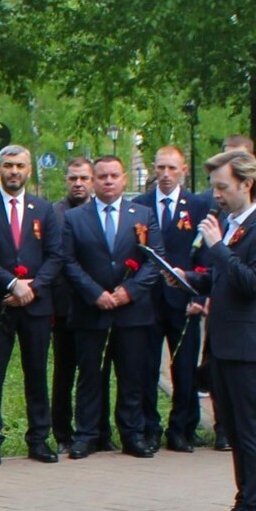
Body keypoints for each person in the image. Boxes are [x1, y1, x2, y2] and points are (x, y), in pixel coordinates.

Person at [196, 152, 256, 511]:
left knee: (250, 428)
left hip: (247, 344)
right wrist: (187, 277)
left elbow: (253, 283)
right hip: (223, 341)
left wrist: (218, 249)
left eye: (223, 187)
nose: (217, 195)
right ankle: (242, 500)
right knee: (232, 426)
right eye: (214, 187)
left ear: (246, 185)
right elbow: (224, 278)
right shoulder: (232, 225)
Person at [0, 145, 64, 465]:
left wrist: (32, 287)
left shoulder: (44, 209)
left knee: (36, 372)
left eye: (20, 165)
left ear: (29, 170)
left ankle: (39, 438)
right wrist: (11, 283)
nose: (14, 171)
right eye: (8, 165)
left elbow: (55, 255)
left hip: (36, 305)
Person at [60, 156, 160, 458]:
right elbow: (67, 261)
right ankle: (87, 435)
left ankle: (132, 435)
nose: (108, 181)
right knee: (90, 375)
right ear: (92, 180)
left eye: (113, 175)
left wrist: (129, 292)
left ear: (124, 178)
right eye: (101, 176)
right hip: (92, 310)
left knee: (131, 376)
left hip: (132, 312)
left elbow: (154, 261)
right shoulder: (75, 218)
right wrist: (95, 293)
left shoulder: (142, 214)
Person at [138, 146, 212, 452]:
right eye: (160, 168)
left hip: (184, 301)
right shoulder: (140, 206)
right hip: (148, 300)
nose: (165, 175)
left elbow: (206, 252)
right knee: (147, 367)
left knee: (184, 368)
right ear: (153, 170)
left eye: (172, 169)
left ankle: (182, 428)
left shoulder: (196, 206)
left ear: (183, 170)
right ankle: (149, 427)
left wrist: (201, 294)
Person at [50, 156, 96, 448]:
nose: (78, 184)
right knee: (64, 371)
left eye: (84, 178)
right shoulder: (54, 213)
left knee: (93, 370)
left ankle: (93, 430)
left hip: (94, 304)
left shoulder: (98, 211)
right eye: (73, 178)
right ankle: (62, 433)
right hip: (63, 306)